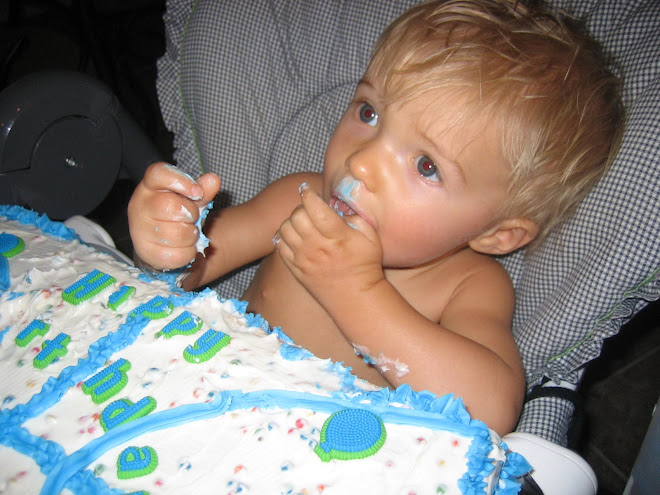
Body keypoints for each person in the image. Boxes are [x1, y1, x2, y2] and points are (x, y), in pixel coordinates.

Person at [128, 0, 623, 436]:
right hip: (216, 403)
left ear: (497, 234)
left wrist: (356, 292)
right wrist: (168, 239)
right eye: (369, 113)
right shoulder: (299, 199)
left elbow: (490, 409)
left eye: (426, 166)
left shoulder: (470, 285)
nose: (361, 162)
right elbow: (194, 267)